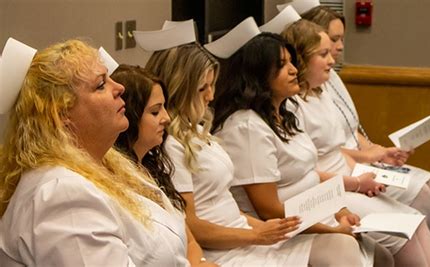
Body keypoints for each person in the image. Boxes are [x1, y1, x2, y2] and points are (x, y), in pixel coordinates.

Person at [145, 38, 367, 266]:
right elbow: (192, 225)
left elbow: (227, 205)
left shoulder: (199, 131)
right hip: (225, 248)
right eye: (203, 88)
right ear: (180, 89)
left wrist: (268, 231)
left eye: (212, 86)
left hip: (248, 232)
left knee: (343, 245)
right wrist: (258, 235)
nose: (211, 96)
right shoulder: (173, 145)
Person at [0, 39, 189, 266]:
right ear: (62, 113)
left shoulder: (104, 162)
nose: (119, 88)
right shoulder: (63, 195)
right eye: (101, 85)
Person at [279, 19, 430, 266]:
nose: (332, 60)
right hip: (330, 190)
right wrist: (356, 182)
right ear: (302, 59)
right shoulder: (293, 107)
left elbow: (336, 151)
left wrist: (369, 165)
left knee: (414, 220)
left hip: (347, 177)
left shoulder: (320, 92)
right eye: (323, 54)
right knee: (403, 231)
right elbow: (307, 171)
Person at [301, 6, 430, 230]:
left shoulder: (331, 79)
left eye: (340, 40)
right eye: (333, 41)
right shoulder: (301, 97)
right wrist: (367, 157)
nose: (339, 48)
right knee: (421, 194)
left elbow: (350, 128)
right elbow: (325, 151)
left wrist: (377, 150)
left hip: (355, 161)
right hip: (343, 170)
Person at [111, 64, 217, 266]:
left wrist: (201, 263)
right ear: (129, 117)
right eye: (155, 112)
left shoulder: (152, 169)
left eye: (164, 108)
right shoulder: (113, 183)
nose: (167, 118)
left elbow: (189, 240)